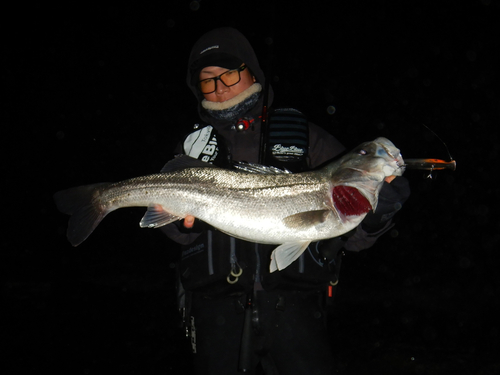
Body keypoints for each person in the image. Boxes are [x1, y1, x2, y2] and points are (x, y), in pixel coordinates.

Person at [161, 27, 410, 374]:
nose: (219, 87)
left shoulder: (308, 136)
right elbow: (179, 233)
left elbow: (353, 239)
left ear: (252, 73)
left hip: (296, 309)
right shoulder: (192, 147)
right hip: (215, 309)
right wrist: (179, 224)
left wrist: (378, 214)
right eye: (207, 80)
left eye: (229, 74)